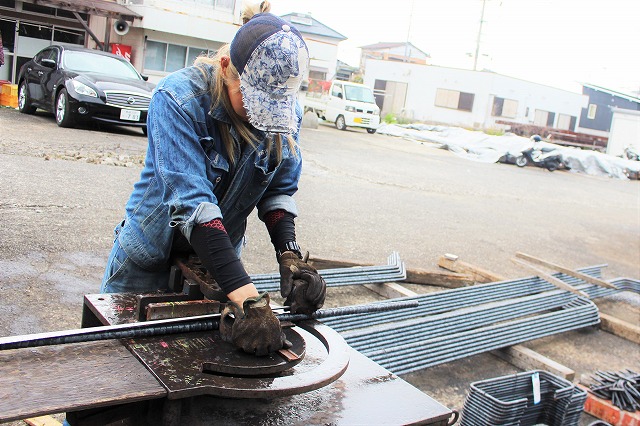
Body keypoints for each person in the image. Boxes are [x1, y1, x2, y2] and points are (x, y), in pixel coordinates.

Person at [100, 6, 326, 357]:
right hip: (147, 261)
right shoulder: (178, 99)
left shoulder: (287, 115)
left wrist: (290, 255)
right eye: (252, 103)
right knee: (114, 373)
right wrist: (249, 299)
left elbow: (278, 188)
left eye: (271, 109)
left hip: (218, 269)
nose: (260, 119)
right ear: (225, 69)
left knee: (190, 368)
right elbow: (194, 205)